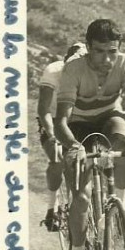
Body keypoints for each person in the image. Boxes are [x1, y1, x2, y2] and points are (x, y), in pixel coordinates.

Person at [55, 19, 125, 250]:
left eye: (112, 51)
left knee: (124, 137)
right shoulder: (73, 69)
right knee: (80, 197)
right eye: (99, 51)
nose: (107, 59)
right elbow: (61, 121)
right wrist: (73, 146)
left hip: (108, 118)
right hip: (77, 126)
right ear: (88, 48)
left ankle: (120, 205)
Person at [36, 41, 86, 231]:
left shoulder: (87, 72)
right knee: (57, 159)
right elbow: (43, 109)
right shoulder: (53, 71)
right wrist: (53, 136)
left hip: (74, 120)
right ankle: (51, 208)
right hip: (52, 117)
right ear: (65, 62)